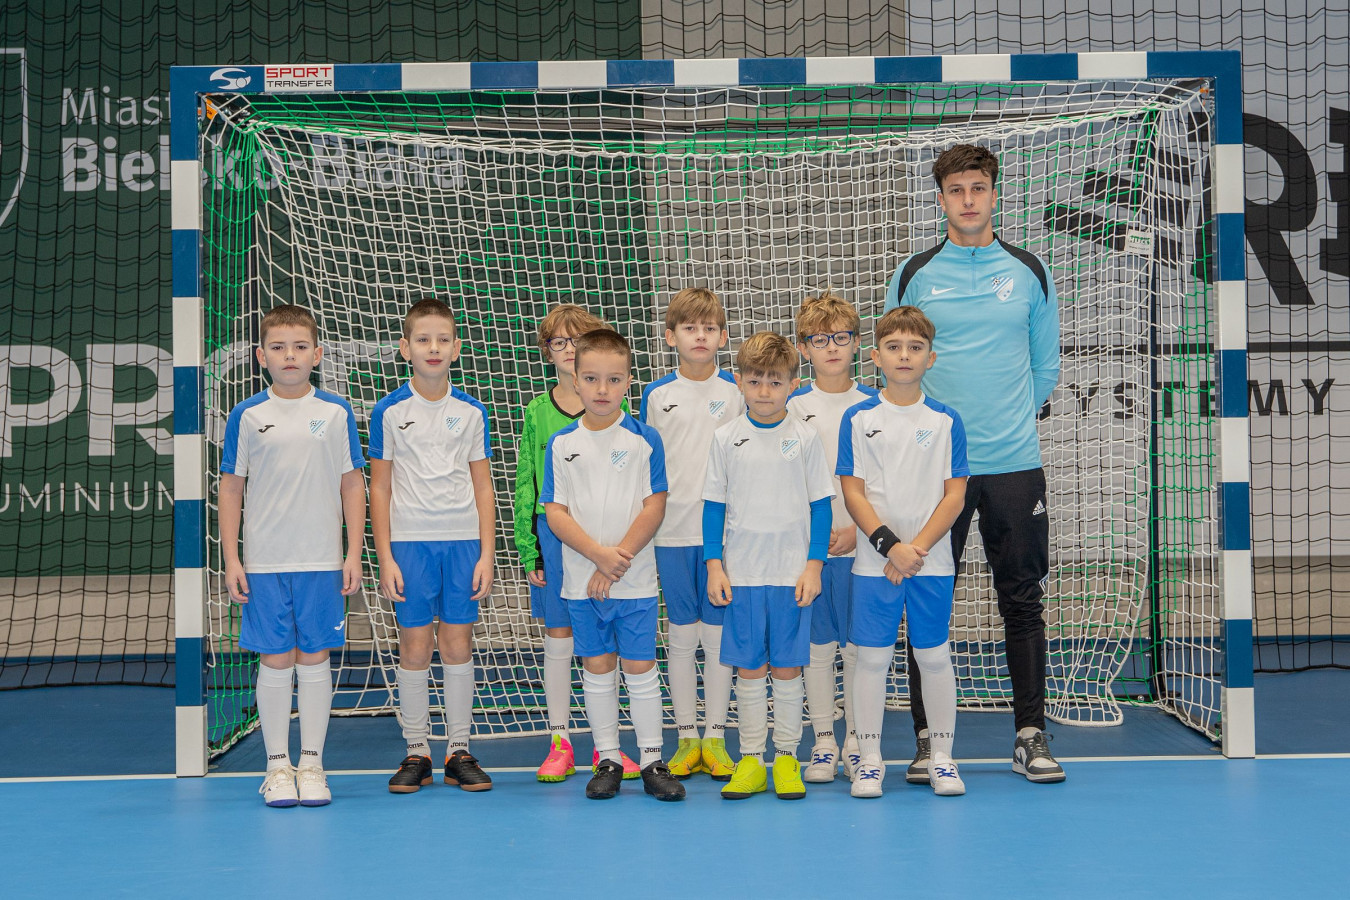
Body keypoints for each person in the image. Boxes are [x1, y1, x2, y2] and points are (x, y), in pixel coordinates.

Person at [882, 142, 1064, 784]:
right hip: (933, 473)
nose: (968, 200)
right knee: (927, 601)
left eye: (978, 188)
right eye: (956, 190)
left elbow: (1046, 367)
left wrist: (1004, 424)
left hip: (1013, 464)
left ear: (993, 194)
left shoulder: (1029, 271)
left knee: (1023, 601)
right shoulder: (914, 272)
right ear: (941, 199)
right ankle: (927, 740)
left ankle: (1030, 735)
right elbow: (896, 359)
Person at [219, 304, 366, 808]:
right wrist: (233, 559)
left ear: (317, 355)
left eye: (300, 347)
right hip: (265, 562)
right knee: (276, 658)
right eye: (278, 347)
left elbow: (353, 484)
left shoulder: (336, 412)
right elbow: (231, 488)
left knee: (315, 656)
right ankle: (277, 766)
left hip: (322, 561)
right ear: (261, 356)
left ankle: (313, 764)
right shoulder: (247, 415)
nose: (290, 355)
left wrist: (353, 552)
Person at [541, 328, 685, 802]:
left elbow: (654, 506)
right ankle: (607, 759)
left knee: (641, 668)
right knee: (598, 667)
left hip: (634, 581)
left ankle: (652, 760)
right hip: (583, 582)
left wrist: (615, 559)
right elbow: (556, 512)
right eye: (591, 378)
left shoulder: (645, 439)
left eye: (613, 379)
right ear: (575, 380)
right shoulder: (561, 443)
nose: (602, 389)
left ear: (628, 381)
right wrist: (597, 556)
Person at [837, 306, 969, 798]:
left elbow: (954, 496)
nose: (904, 356)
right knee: (871, 659)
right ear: (876, 357)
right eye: (893, 347)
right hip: (876, 565)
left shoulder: (946, 420)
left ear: (930, 358)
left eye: (915, 348)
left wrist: (916, 550)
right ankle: (870, 760)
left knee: (932, 657)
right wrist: (890, 548)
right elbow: (853, 493)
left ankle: (942, 758)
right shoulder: (859, 418)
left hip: (930, 563)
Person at [370, 298, 495, 794]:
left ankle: (458, 749)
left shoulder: (471, 411)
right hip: (410, 545)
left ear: (456, 348)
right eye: (423, 339)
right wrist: (385, 557)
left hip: (463, 544)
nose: (433, 347)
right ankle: (417, 750)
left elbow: (483, 486)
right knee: (415, 646)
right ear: (405, 348)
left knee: (458, 644)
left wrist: (487, 553)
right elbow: (379, 487)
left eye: (443, 339)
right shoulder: (389, 411)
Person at [703, 332, 834, 801]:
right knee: (750, 671)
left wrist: (814, 565)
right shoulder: (725, 438)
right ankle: (751, 760)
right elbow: (714, 507)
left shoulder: (805, 437)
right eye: (755, 380)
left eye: (775, 382)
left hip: (791, 576)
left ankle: (786, 758)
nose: (764, 391)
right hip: (741, 576)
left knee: (788, 669)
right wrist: (714, 565)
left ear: (793, 385)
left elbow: (821, 506)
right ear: (738, 381)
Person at [513, 305, 637, 782]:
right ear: (547, 352)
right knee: (560, 637)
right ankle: (560, 740)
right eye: (559, 342)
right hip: (555, 537)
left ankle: (610, 745)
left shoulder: (619, 413)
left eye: (577, 341)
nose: (568, 350)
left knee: (606, 642)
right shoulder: (537, 411)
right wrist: (530, 547)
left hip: (606, 540)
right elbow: (526, 482)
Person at [639, 287, 744, 781]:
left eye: (709, 328)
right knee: (681, 636)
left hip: (725, 535)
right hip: (671, 533)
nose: (699, 336)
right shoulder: (657, 395)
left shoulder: (737, 392)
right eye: (689, 328)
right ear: (670, 337)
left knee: (718, 637)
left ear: (722, 336)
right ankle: (686, 737)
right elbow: (646, 467)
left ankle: (716, 738)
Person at [787, 290, 878, 783]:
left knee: (860, 650)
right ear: (803, 348)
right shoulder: (791, 405)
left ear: (857, 343)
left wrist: (860, 532)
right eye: (819, 340)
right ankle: (824, 740)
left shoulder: (874, 404)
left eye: (841, 338)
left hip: (864, 547)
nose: (831, 348)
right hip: (812, 553)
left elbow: (884, 482)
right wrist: (814, 541)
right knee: (819, 648)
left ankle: (859, 742)